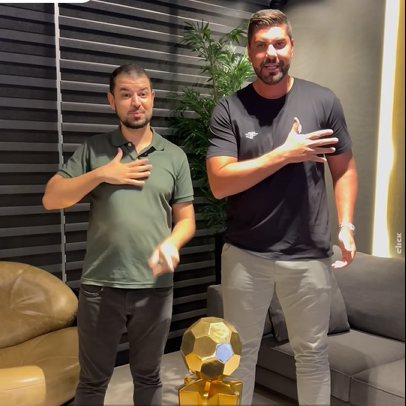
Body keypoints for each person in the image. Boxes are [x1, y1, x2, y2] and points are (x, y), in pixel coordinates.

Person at [206, 9, 358, 406]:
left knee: (312, 355)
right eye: (261, 46)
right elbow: (220, 183)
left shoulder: (323, 100)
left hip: (308, 255)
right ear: (249, 52)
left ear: (291, 47)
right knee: (238, 357)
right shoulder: (230, 108)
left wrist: (347, 226)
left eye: (278, 43)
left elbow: (344, 170)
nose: (270, 53)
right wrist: (283, 154)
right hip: (245, 255)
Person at [42, 63, 195, 406]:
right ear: (112, 101)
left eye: (142, 94)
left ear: (152, 97)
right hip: (101, 286)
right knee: (92, 382)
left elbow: (186, 219)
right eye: (126, 94)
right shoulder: (94, 150)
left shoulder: (174, 156)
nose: (135, 102)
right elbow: (51, 198)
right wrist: (102, 174)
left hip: (154, 287)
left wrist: (173, 242)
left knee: (148, 376)